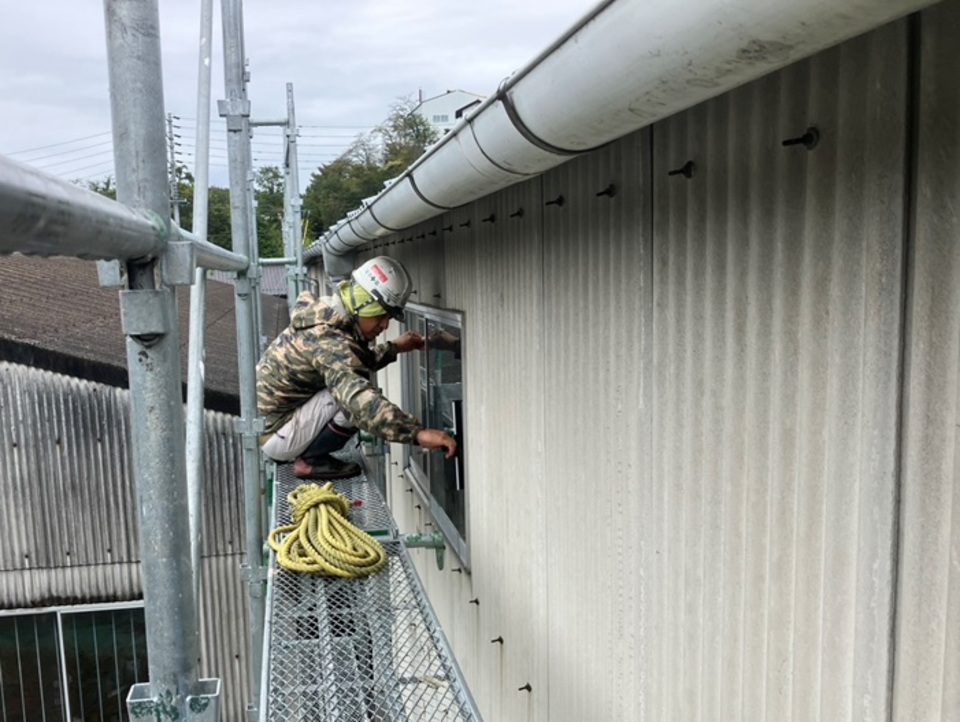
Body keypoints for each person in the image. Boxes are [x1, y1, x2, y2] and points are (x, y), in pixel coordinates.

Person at [256, 256, 457, 480]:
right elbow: (357, 397)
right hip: (278, 437)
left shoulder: (328, 316)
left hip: (277, 425)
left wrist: (394, 349)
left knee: (349, 386)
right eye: (381, 316)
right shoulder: (329, 338)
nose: (385, 325)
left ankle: (310, 455)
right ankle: (310, 461)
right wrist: (418, 433)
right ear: (363, 304)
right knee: (354, 400)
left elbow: (349, 360)